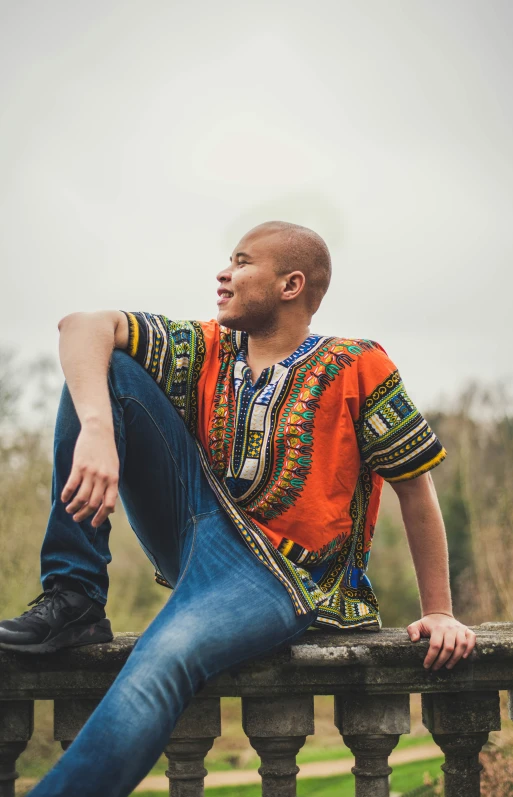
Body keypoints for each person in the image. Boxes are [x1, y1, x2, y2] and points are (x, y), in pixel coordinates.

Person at [0, 220, 476, 797]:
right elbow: (80, 326)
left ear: (290, 284)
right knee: (107, 369)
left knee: (162, 662)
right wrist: (97, 428)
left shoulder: (358, 364)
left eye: (242, 262)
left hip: (278, 578)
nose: (223, 273)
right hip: (193, 524)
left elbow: (415, 490)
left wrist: (442, 611)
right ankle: (75, 596)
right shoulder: (208, 348)